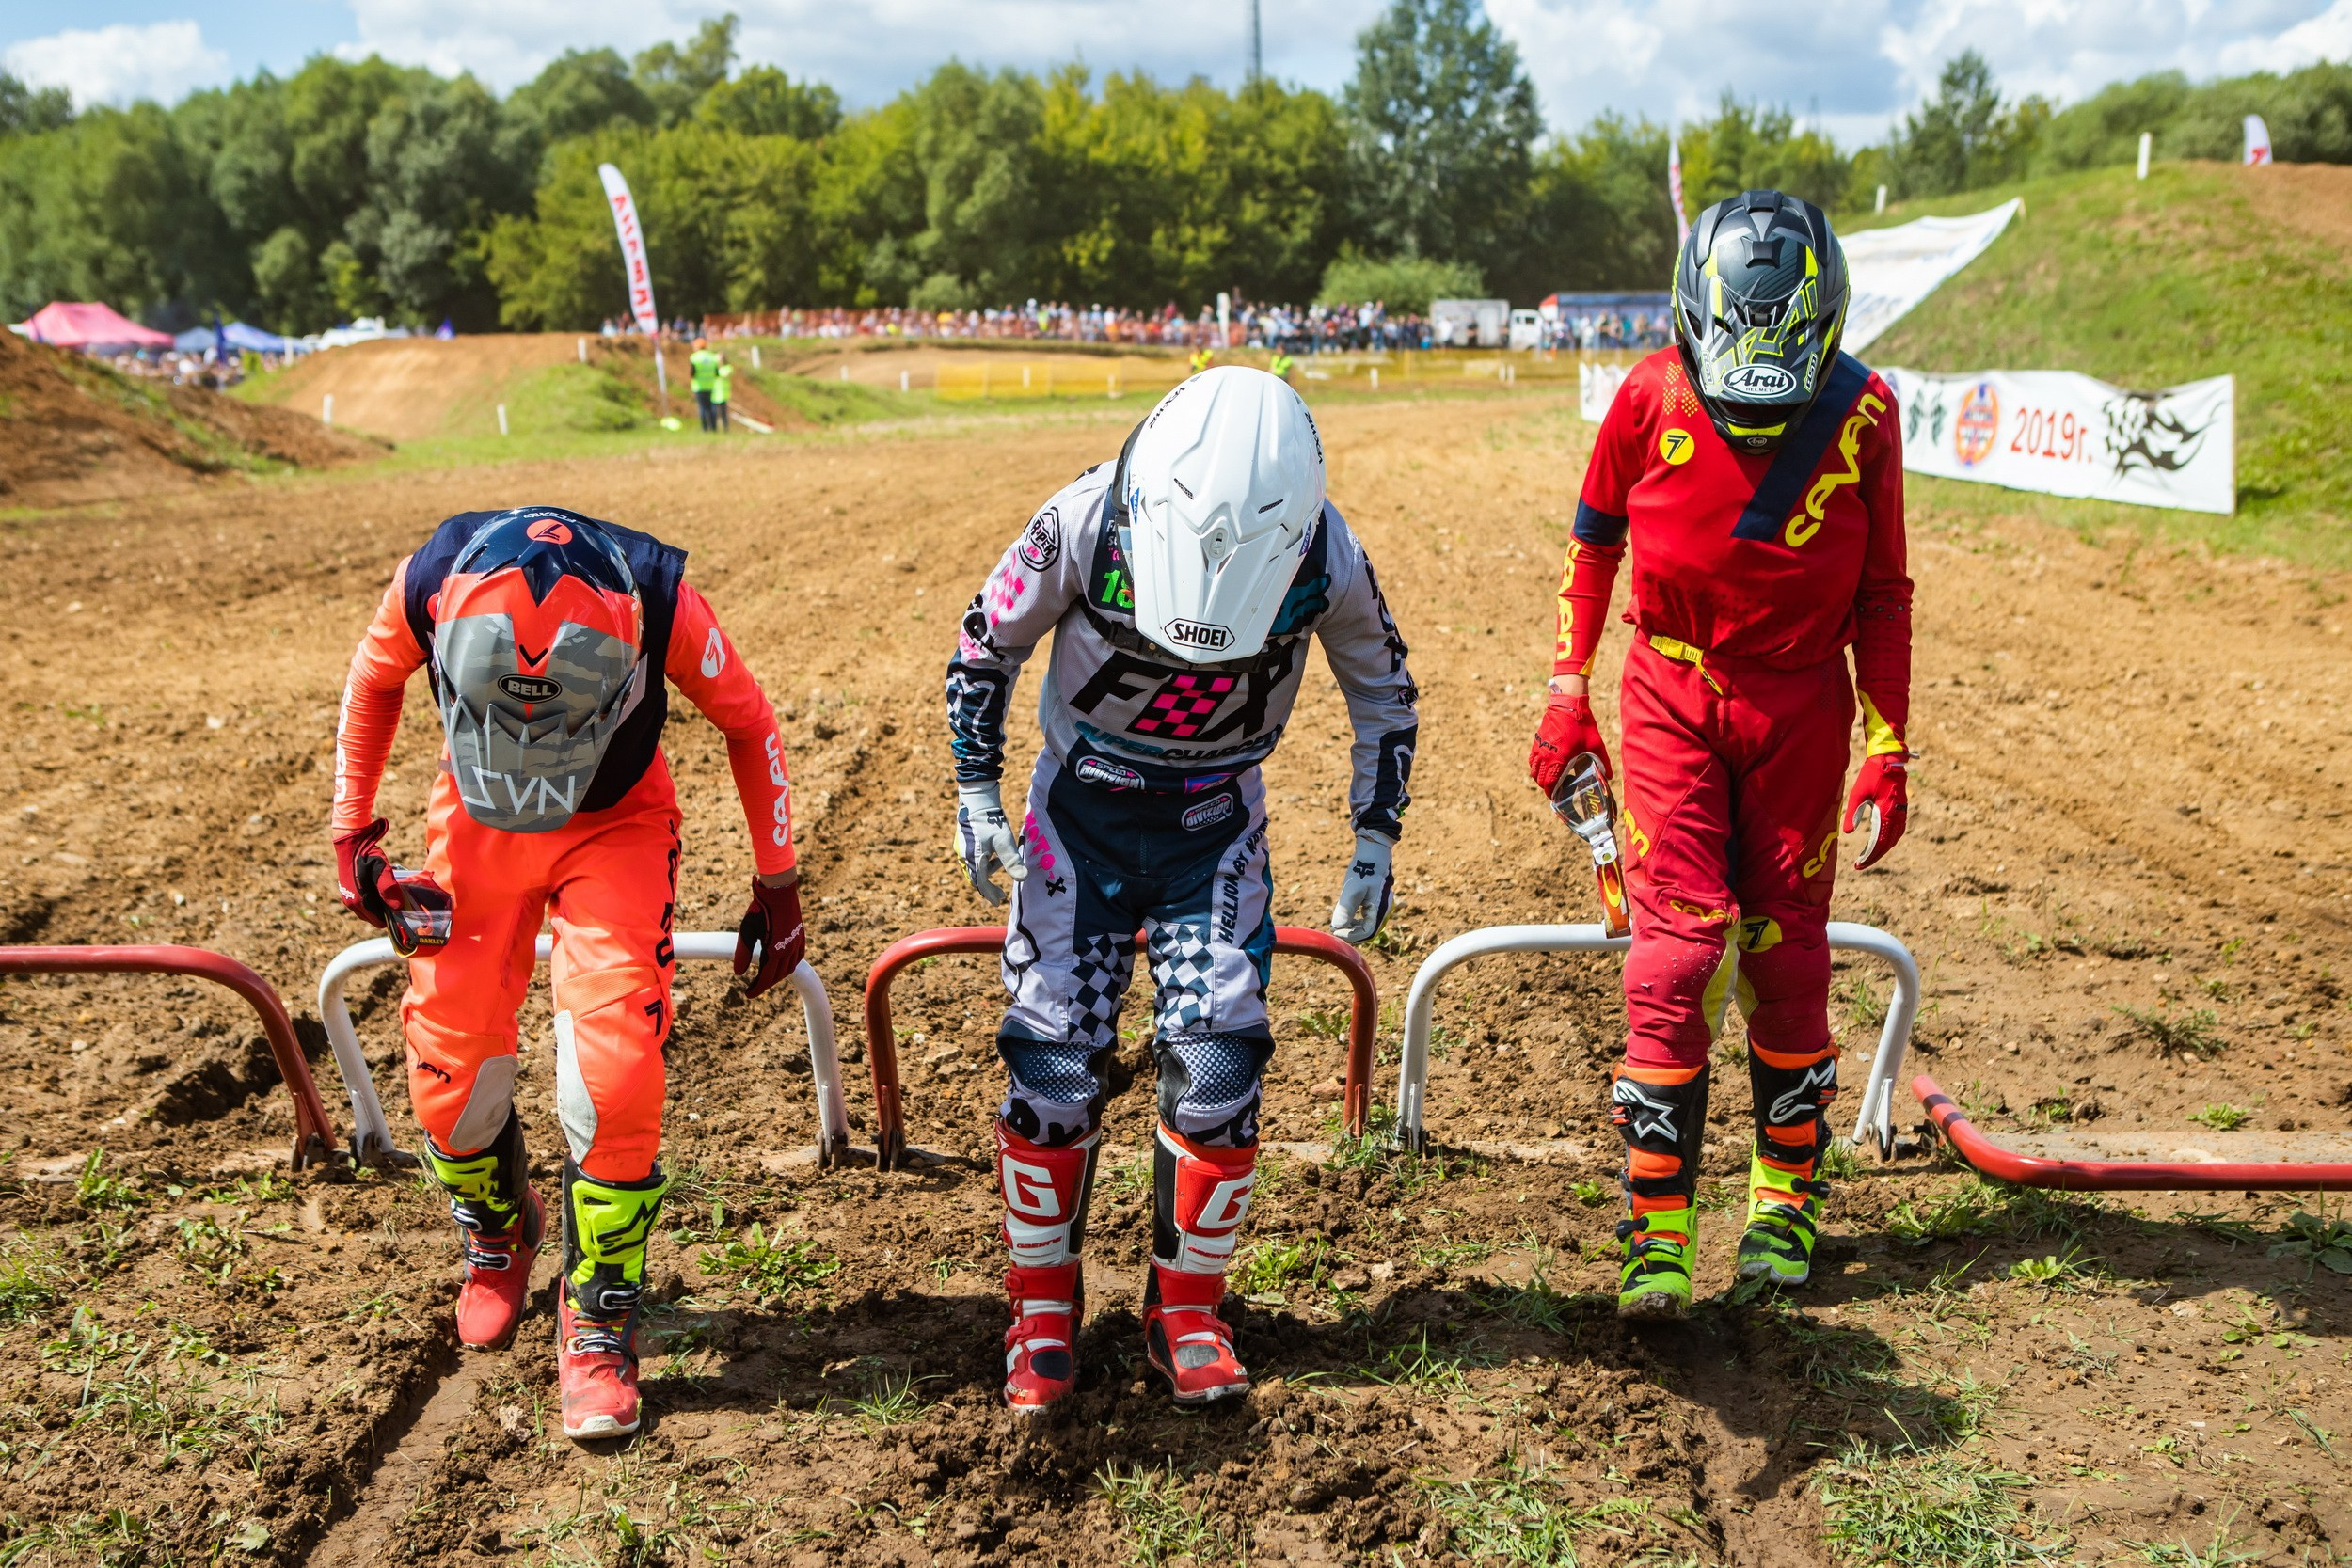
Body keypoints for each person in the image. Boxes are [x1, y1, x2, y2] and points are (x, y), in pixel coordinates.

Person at [946, 366, 1419, 1411]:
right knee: (1053, 1064)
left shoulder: (1327, 554)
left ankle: (1187, 1307)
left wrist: (1374, 837)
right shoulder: (1081, 518)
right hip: (1075, 825)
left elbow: (1385, 691)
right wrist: (975, 790)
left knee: (1217, 1065)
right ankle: (1040, 1309)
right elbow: (986, 644)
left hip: (1216, 836)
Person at [330, 506, 809, 1438]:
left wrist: (778, 883)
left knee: (615, 1069)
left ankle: (598, 1312)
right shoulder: (432, 575)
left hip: (616, 824)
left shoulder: (660, 596)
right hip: (475, 824)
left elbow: (749, 722)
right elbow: (370, 677)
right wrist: (350, 829)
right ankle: (500, 1229)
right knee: (446, 1082)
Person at [1527, 189, 1912, 1319]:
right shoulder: (1645, 397)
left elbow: (1883, 593)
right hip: (1673, 693)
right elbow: (1593, 541)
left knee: (1787, 954)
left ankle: (1784, 1202)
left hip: (1801, 705)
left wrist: (1887, 746)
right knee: (1676, 952)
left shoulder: (1865, 417)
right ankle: (1657, 1228)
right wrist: (1565, 691)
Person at [688, 338, 721, 432]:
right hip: (711, 385)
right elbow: (716, 373)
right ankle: (714, 428)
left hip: (699, 386)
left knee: (702, 408)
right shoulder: (713, 357)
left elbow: (692, 373)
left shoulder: (694, 357)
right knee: (712, 407)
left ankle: (705, 428)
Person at [710, 356, 732, 433]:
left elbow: (722, 375)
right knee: (714, 413)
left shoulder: (727, 368)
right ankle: (714, 429)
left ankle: (726, 429)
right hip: (714, 394)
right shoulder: (713, 369)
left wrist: (717, 366)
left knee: (723, 413)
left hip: (723, 395)